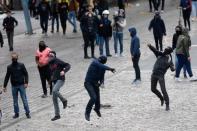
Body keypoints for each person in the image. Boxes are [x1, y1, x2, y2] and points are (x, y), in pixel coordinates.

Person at [84, 56, 115, 121]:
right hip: (88, 83)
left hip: (95, 84)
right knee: (93, 97)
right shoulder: (94, 62)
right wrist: (110, 69)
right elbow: (101, 65)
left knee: (97, 99)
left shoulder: (102, 67)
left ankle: (96, 109)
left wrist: (102, 83)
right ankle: (87, 112)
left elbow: (102, 77)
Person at [3, 52, 31, 119]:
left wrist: (26, 82)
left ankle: (27, 112)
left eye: (15, 58)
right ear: (11, 59)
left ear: (17, 58)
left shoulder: (21, 65)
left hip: (21, 85)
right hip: (14, 86)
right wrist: (4, 86)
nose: (14, 59)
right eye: (13, 58)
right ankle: (16, 113)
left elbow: (26, 74)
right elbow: (7, 76)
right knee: (15, 101)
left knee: (24, 100)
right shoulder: (9, 67)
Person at [147, 44, 175, 111]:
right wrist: (150, 46)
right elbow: (155, 50)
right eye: (165, 49)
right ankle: (161, 98)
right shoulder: (160, 54)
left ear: (168, 52)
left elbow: (172, 68)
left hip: (160, 75)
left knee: (163, 90)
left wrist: (173, 68)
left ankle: (167, 104)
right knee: (153, 89)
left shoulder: (169, 59)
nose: (164, 51)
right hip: (154, 74)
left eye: (166, 50)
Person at [48, 51, 71, 121]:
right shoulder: (49, 63)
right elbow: (52, 73)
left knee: (54, 91)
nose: (50, 57)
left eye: (51, 55)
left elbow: (68, 65)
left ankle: (64, 100)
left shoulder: (58, 61)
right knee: (54, 99)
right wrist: (49, 81)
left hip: (60, 80)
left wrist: (64, 71)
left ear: (54, 56)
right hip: (54, 81)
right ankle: (57, 115)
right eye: (49, 55)